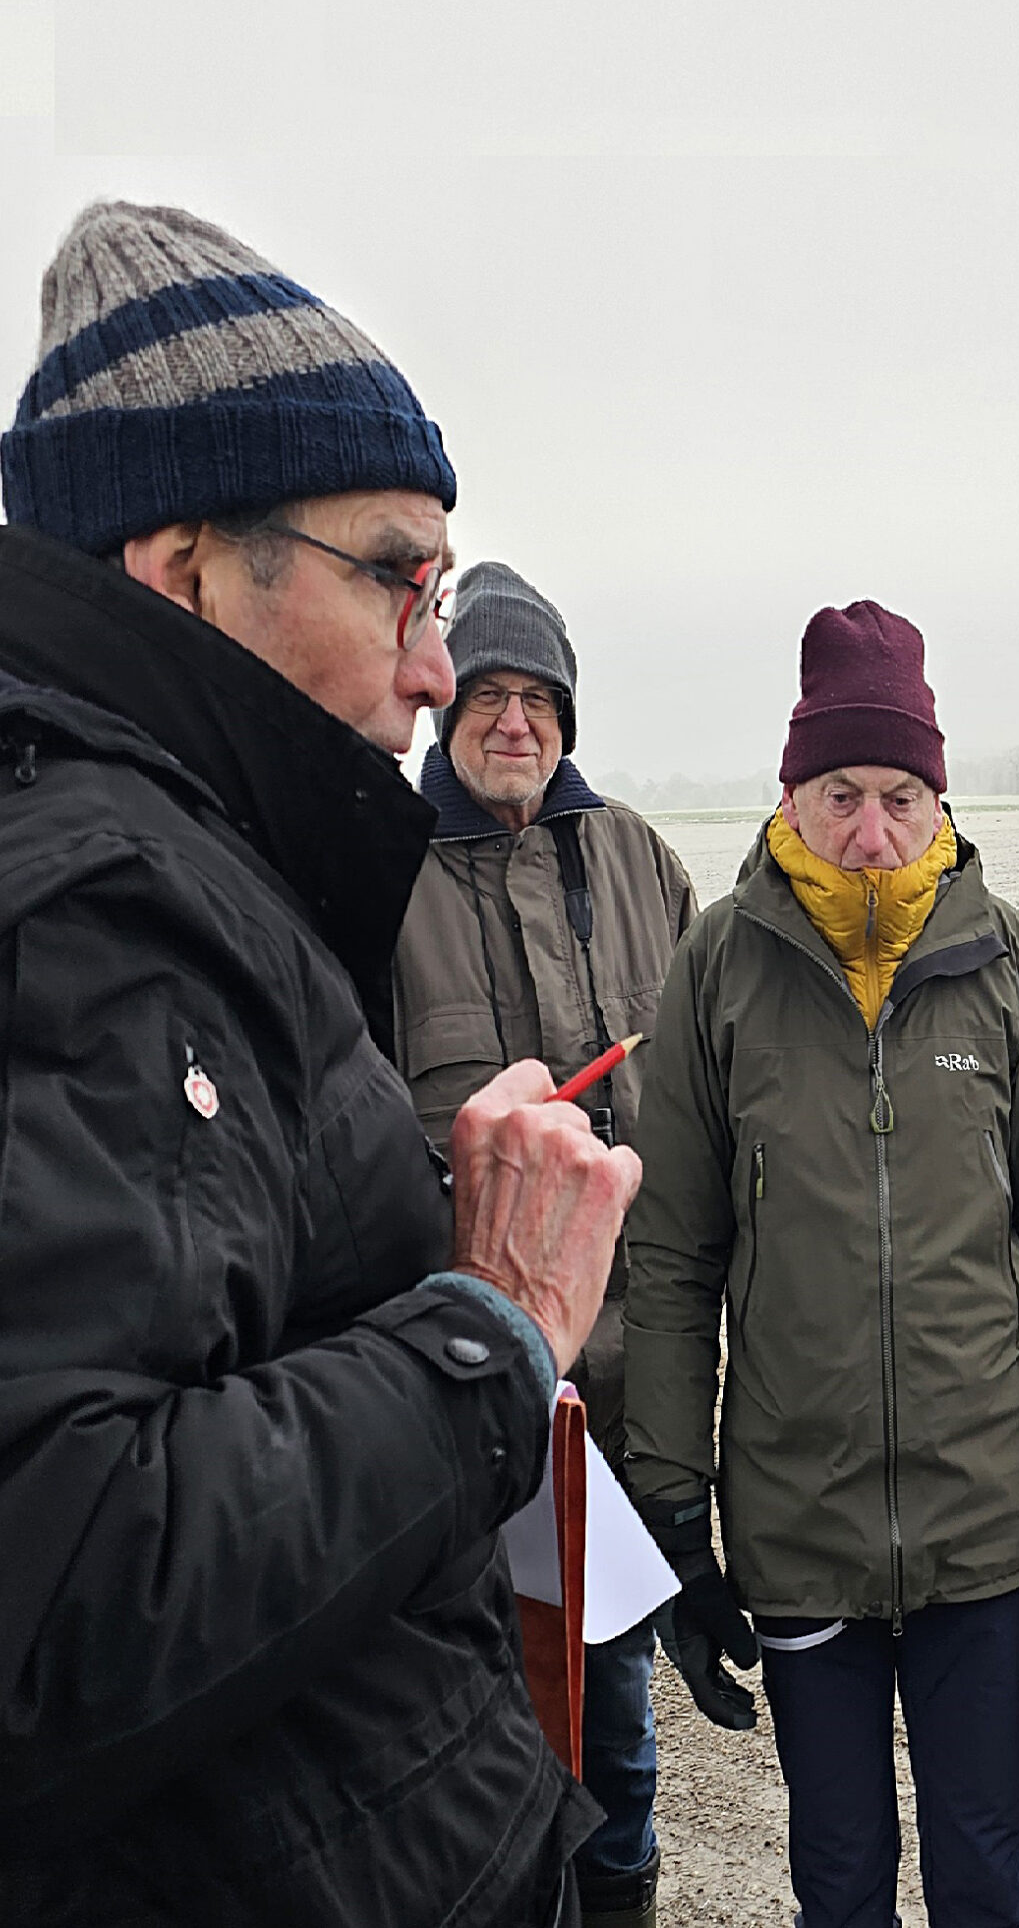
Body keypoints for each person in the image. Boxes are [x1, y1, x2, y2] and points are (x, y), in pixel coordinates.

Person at [0, 200, 636, 1926]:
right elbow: (39, 1603)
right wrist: (484, 1328)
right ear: (184, 566)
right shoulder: (98, 906)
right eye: (398, 577)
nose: (436, 664)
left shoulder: (187, 861)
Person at [623, 600, 1019, 1928]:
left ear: (937, 801)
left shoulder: (1005, 964)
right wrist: (675, 1510)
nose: (868, 832)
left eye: (899, 796)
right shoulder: (717, 972)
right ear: (789, 795)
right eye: (839, 794)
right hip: (797, 1526)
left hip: (973, 1526)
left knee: (980, 1881)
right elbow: (672, 1259)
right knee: (839, 1885)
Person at [393, 559, 702, 1927]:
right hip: (460, 1390)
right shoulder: (373, 870)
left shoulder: (638, 860)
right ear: (446, 705)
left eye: (539, 698)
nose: (514, 721)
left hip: (634, 1393)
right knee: (479, 1739)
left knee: (616, 1733)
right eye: (489, 694)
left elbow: (712, 1097)